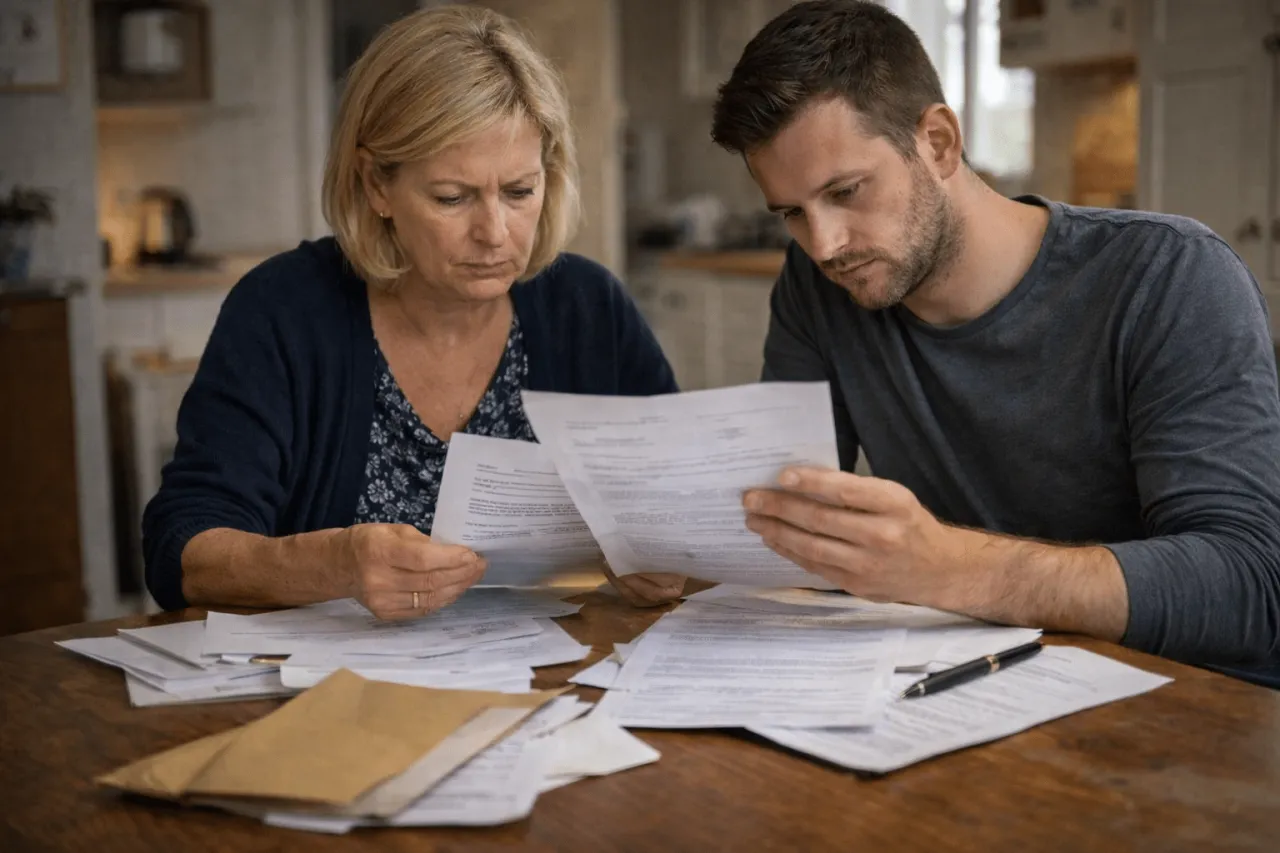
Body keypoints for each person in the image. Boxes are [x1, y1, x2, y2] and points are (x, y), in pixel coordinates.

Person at [712, 0, 1280, 683]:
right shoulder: (819, 286)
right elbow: (784, 518)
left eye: (847, 191)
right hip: (982, 685)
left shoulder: (1171, 276)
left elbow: (1249, 584)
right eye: (792, 214)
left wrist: (948, 567)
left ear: (939, 142)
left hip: (1186, 705)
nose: (825, 244)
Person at [142, 6, 685, 619]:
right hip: (336, 696)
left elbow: (679, 505)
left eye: (519, 191)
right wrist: (335, 565)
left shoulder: (588, 308)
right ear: (376, 185)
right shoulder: (284, 310)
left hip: (552, 683)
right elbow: (182, 547)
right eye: (452, 198)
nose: (495, 232)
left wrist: (669, 555)